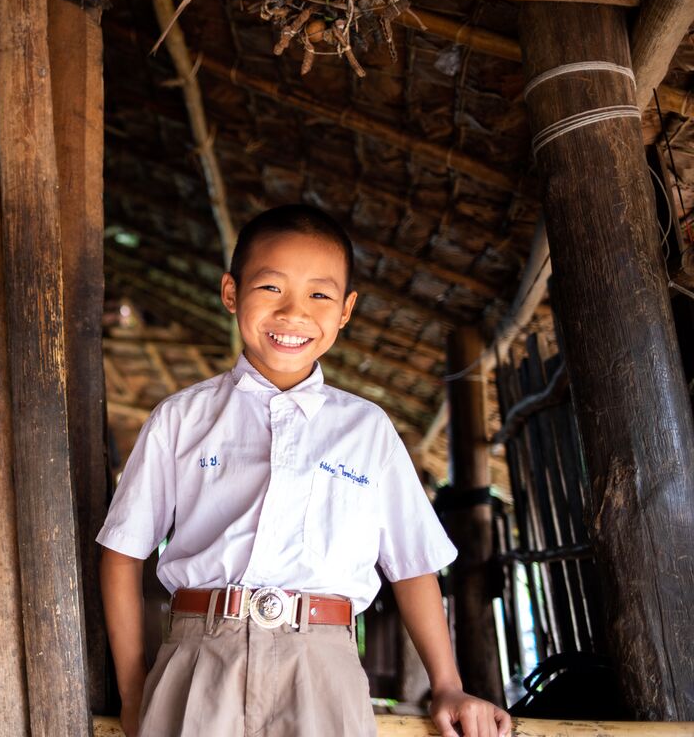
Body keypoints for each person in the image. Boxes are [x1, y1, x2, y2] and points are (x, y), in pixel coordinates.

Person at [97, 205, 512, 737]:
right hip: (200, 658)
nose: (294, 313)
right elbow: (122, 551)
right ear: (231, 293)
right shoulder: (182, 418)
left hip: (325, 669)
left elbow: (413, 566)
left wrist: (449, 684)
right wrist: (135, 691)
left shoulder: (367, 429)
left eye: (319, 295)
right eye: (271, 288)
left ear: (345, 310)